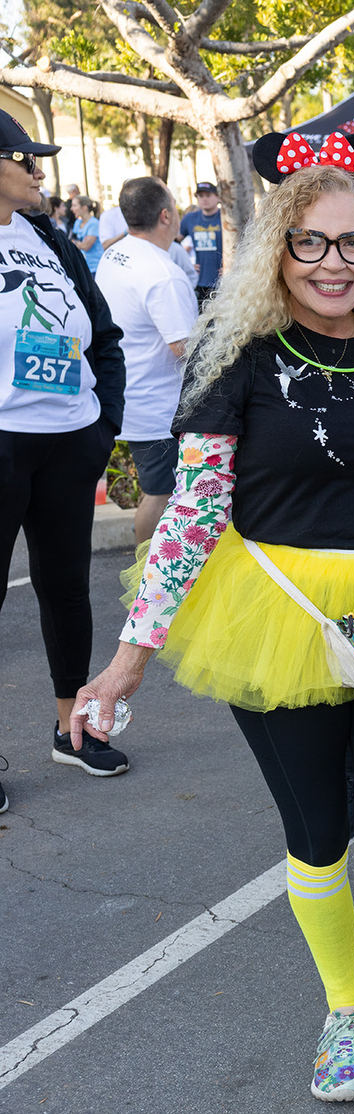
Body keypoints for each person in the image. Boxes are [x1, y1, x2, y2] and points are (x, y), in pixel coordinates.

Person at [74, 133, 354, 1112]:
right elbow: (197, 512)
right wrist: (128, 661)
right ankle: (341, 1011)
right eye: (311, 244)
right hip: (277, 619)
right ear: (276, 251)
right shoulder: (233, 357)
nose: (334, 264)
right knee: (318, 833)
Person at [0, 111, 129, 785]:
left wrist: (101, 427)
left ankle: (71, 729)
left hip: (68, 445)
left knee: (66, 590)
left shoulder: (48, 237)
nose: (40, 170)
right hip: (4, 445)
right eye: (25, 158)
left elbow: (101, 336)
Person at [96, 176, 198, 546]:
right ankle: (147, 583)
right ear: (166, 215)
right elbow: (185, 346)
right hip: (158, 409)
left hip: (131, 397)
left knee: (157, 493)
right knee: (163, 496)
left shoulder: (115, 253)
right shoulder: (162, 273)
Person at [178, 180, 224, 308]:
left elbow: (240, 242)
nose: (204, 199)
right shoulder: (190, 219)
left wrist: (232, 264)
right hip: (199, 281)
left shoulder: (226, 217)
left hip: (224, 281)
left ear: (217, 197)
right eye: (201, 196)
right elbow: (173, 243)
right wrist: (187, 264)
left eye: (208, 195)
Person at [69, 194, 101, 272]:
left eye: (75, 205)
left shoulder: (94, 223)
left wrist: (76, 243)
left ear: (84, 208)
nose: (71, 209)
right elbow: (70, 242)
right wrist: (79, 243)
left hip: (94, 267)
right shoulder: (77, 222)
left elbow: (86, 246)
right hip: (83, 267)